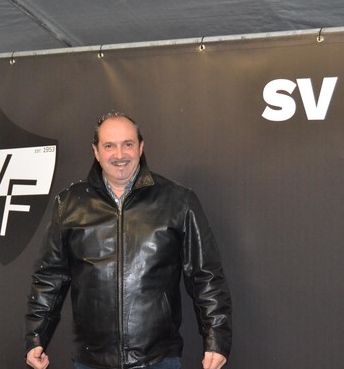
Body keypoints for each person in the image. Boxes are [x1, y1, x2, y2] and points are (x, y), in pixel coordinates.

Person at [25, 111, 232, 369]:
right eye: (109, 146)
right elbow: (50, 278)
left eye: (128, 144)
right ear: (96, 151)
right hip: (92, 360)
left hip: (158, 358)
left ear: (141, 147)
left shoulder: (177, 201)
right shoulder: (69, 204)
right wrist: (36, 336)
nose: (120, 154)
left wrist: (216, 338)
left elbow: (205, 275)